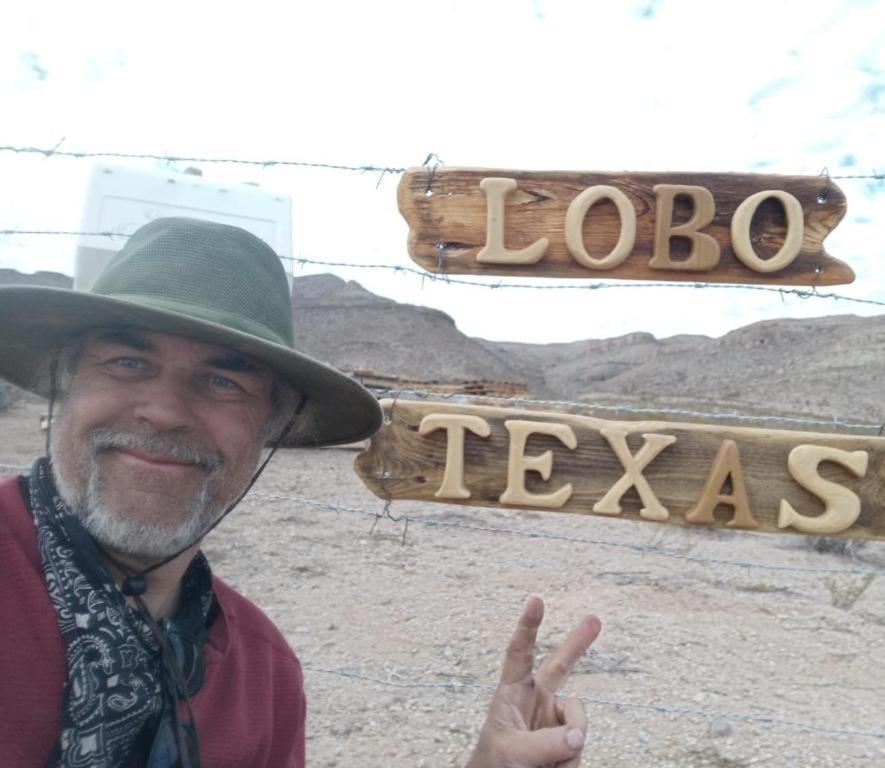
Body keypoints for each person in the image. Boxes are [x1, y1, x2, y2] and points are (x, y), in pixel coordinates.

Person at [0, 217, 601, 768]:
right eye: (127, 361)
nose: (163, 411)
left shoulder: (262, 673)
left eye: (221, 380)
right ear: (65, 381)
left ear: (271, 427)